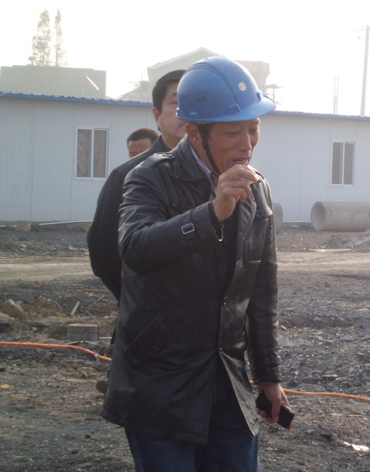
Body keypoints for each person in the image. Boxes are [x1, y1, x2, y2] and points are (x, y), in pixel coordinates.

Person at [101, 57, 289, 472]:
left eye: (253, 128)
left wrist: (268, 375)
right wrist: (211, 214)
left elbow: (262, 292)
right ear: (194, 133)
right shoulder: (149, 177)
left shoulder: (257, 190)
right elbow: (134, 248)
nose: (246, 144)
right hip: (160, 383)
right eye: (232, 132)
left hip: (227, 379)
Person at [87, 70, 186, 302]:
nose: (188, 111)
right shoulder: (126, 175)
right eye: (177, 103)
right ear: (157, 115)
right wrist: (141, 304)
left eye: (196, 102)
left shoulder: (217, 175)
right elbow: (104, 257)